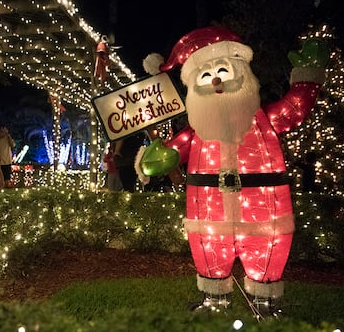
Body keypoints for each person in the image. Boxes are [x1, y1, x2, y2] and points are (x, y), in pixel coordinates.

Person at [137, 26, 328, 317]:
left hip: (263, 207)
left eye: (222, 71)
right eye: (205, 75)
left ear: (240, 72)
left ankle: (266, 305)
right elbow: (171, 152)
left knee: (265, 252)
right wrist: (155, 158)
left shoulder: (264, 119)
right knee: (210, 251)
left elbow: (294, 110)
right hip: (209, 211)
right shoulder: (196, 131)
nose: (215, 80)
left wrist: (306, 77)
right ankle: (215, 302)